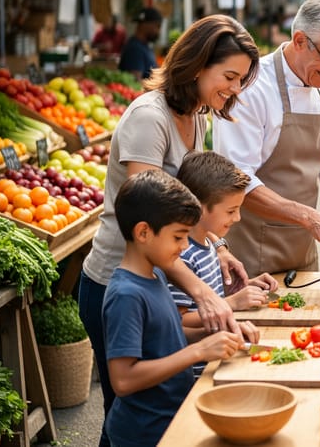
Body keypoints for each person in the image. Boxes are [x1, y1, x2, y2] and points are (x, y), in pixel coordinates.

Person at [81, 14, 259, 447]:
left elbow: (189, 203)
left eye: (241, 80)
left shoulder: (197, 114)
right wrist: (202, 290)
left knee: (159, 406)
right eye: (230, 76)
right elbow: (152, 213)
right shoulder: (149, 118)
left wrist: (218, 246)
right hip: (116, 280)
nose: (235, 90)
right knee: (125, 413)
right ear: (198, 65)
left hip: (160, 276)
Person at [213, 0, 320, 277]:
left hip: (302, 247)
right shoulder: (251, 88)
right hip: (250, 251)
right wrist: (309, 217)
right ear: (300, 40)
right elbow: (236, 179)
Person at [103, 170, 258, 447]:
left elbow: (165, 339)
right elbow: (123, 380)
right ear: (143, 232)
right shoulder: (126, 295)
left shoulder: (156, 275)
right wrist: (198, 352)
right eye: (178, 237)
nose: (185, 246)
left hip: (172, 418)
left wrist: (219, 338)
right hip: (145, 433)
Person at [170, 151, 279, 379]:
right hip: (197, 373)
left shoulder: (209, 243)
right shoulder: (182, 256)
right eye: (231, 211)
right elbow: (178, 320)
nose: (237, 218)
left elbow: (210, 297)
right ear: (198, 208)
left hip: (219, 360)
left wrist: (240, 288)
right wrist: (233, 302)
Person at [118, 7, 163, 80]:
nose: (159, 31)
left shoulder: (144, 46)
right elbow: (136, 82)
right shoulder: (134, 49)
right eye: (157, 26)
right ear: (144, 25)